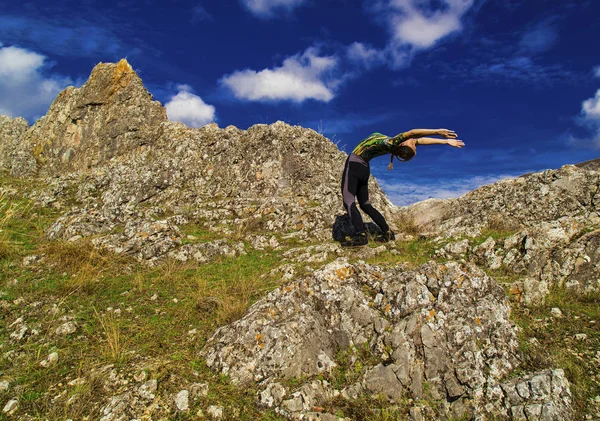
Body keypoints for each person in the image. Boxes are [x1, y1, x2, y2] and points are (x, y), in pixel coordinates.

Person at [340, 128, 465, 247]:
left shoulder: (392, 142)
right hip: (364, 169)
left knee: (348, 200)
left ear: (402, 144)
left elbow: (413, 133)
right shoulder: (396, 145)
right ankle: (387, 233)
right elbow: (419, 139)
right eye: (413, 144)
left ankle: (360, 236)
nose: (414, 142)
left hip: (354, 164)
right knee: (365, 204)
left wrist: (439, 133)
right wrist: (444, 140)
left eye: (413, 144)